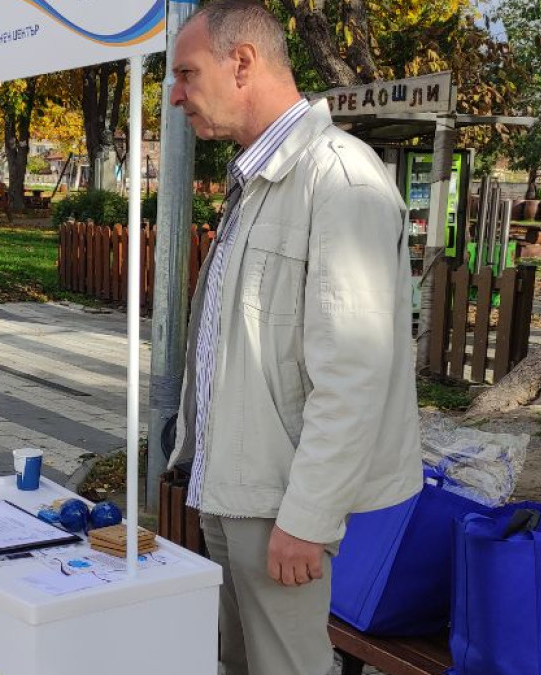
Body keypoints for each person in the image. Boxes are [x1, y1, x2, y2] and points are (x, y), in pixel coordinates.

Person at [164, 3, 422, 674]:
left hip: (281, 501)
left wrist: (308, 516)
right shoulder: (260, 180)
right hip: (236, 488)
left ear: (242, 62)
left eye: (187, 73)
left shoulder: (339, 178)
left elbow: (356, 373)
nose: (175, 94)